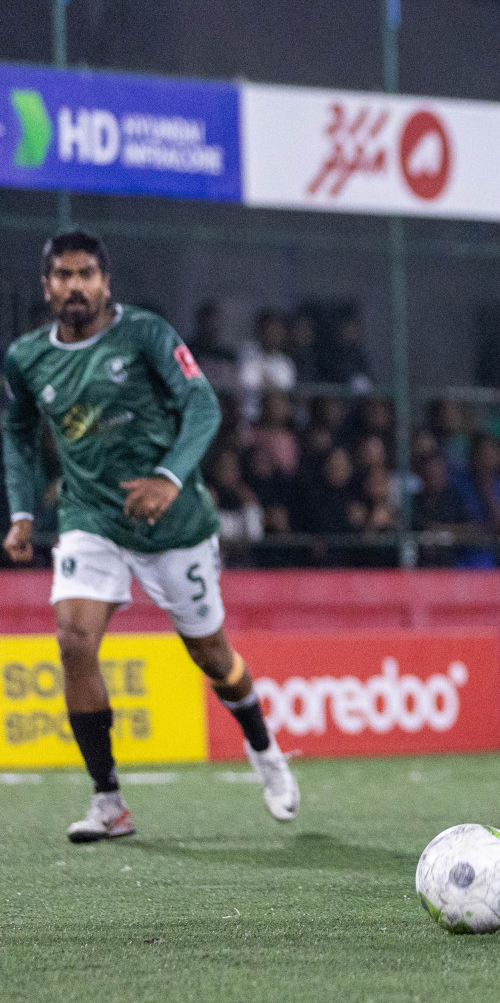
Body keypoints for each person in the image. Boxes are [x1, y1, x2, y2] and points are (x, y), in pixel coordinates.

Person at [2, 231, 299, 842]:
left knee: (212, 655)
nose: (75, 285)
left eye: (87, 274)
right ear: (47, 285)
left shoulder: (145, 335)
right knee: (74, 640)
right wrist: (22, 512)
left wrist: (168, 478)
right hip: (91, 519)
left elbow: (203, 407)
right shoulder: (27, 357)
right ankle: (108, 801)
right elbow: (17, 433)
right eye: (63, 275)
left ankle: (264, 748)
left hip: (175, 523)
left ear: (105, 282)